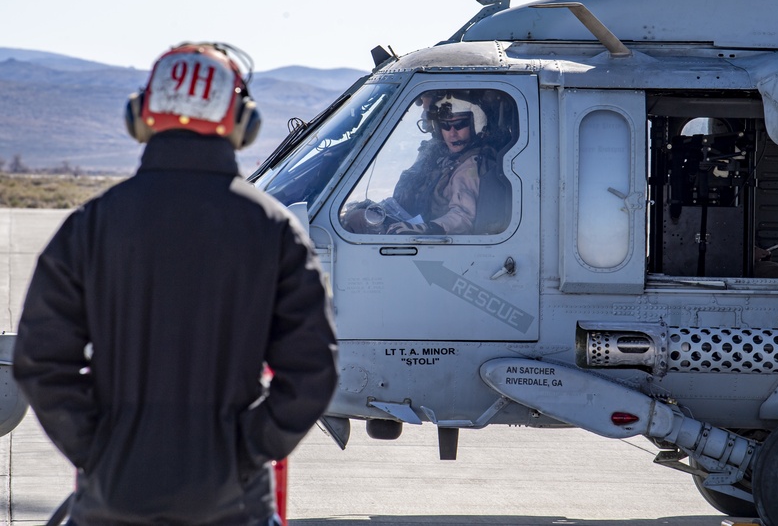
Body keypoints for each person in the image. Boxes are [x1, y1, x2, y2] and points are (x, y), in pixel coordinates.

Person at [13, 43, 338, 525]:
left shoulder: (90, 225)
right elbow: (313, 371)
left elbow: (40, 360)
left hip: (111, 502)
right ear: (242, 122)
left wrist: (101, 453)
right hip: (235, 506)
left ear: (141, 115)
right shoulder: (274, 231)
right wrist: (245, 453)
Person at [385, 92, 493, 235]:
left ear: (475, 125)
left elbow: (463, 216)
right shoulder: (437, 156)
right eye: (445, 125)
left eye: (459, 124)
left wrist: (426, 229)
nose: (452, 133)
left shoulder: (470, 166)